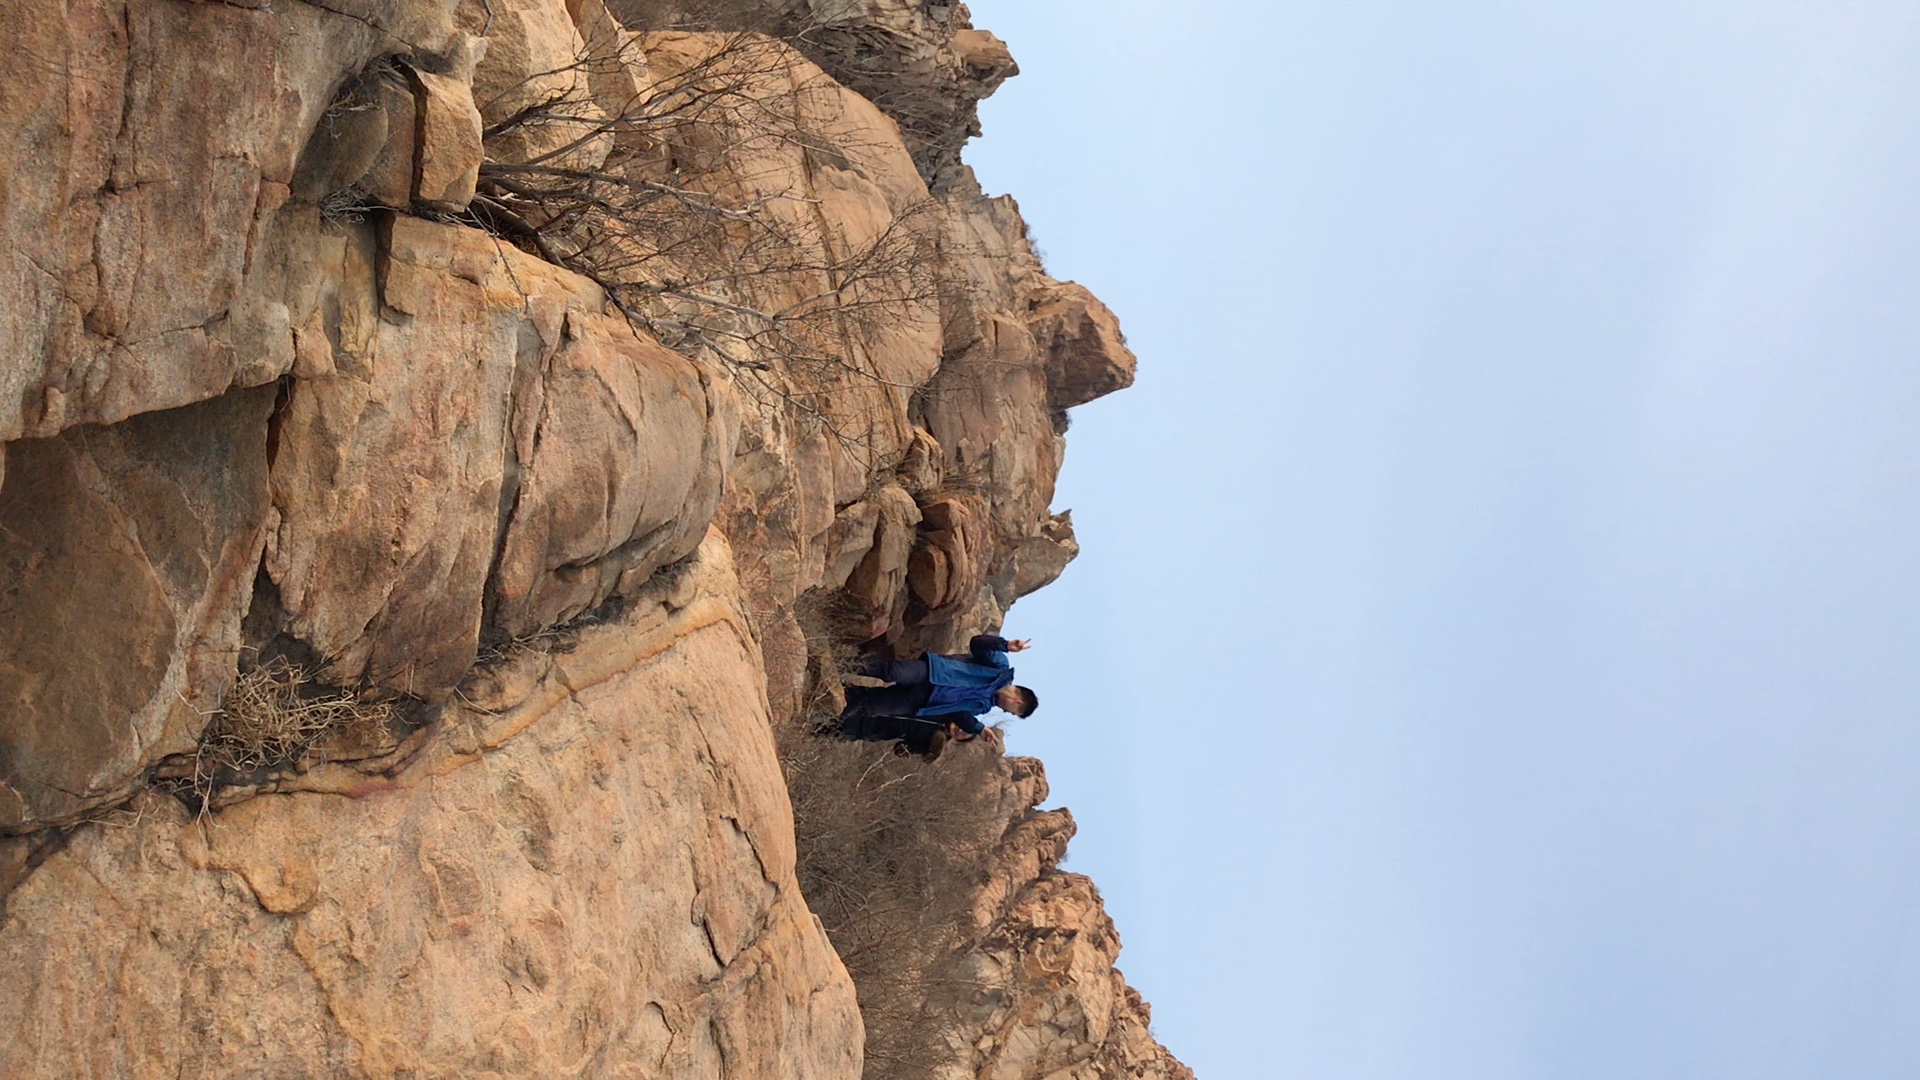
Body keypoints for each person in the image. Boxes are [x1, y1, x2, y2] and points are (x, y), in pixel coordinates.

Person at [836, 634, 1039, 756]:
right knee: (891, 671)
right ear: (1018, 701)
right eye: (1014, 712)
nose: (1008, 712)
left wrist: (978, 729)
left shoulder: (984, 706)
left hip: (923, 702)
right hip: (932, 673)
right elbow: (977, 644)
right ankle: (840, 664)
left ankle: (829, 695)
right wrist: (1005, 645)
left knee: (871, 706)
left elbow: (958, 713)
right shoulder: (1000, 667)